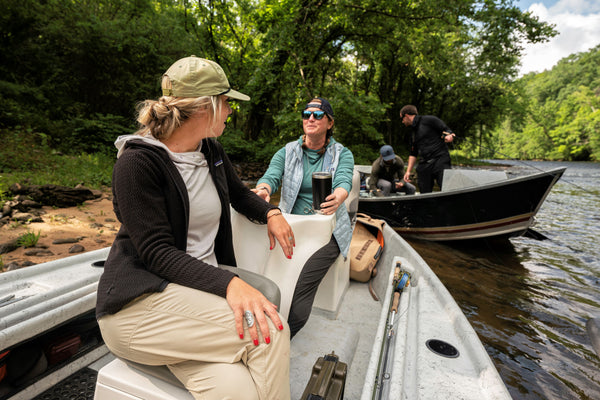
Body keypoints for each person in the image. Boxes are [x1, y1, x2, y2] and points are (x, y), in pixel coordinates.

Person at [95, 56, 293, 400]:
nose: (231, 110)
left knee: (238, 391)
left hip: (192, 296)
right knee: (271, 329)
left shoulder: (210, 149)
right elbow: (157, 253)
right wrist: (230, 283)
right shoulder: (136, 163)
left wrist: (271, 213)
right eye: (227, 102)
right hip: (139, 308)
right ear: (205, 107)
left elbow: (239, 195)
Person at [252, 97, 354, 338]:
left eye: (318, 115)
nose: (311, 118)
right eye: (306, 113)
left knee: (299, 295)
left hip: (327, 231)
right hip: (290, 225)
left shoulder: (343, 154)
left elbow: (343, 181)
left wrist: (338, 197)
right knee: (265, 276)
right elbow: (271, 176)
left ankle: (285, 336)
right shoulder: (287, 151)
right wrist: (263, 190)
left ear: (329, 123)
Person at [400, 105, 456, 193]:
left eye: (402, 118)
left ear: (406, 116)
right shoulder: (412, 133)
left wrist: (449, 136)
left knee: (446, 188)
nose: (402, 121)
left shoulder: (429, 120)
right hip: (425, 164)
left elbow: (447, 130)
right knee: (423, 190)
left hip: (440, 159)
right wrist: (408, 171)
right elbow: (413, 153)